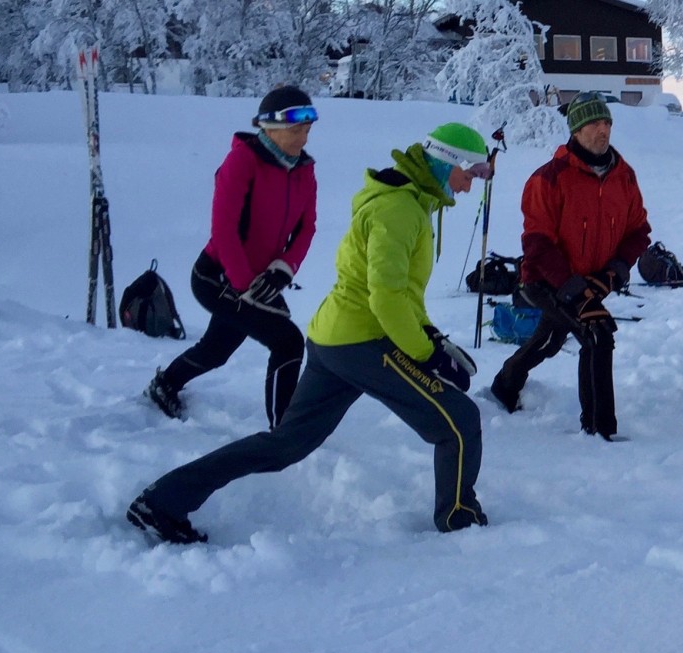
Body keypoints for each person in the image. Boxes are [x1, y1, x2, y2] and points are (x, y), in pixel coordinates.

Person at [126, 124, 495, 543]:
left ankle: (164, 500)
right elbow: (386, 299)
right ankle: (460, 521)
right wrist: (426, 353)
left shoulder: (410, 203)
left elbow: (401, 291)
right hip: (362, 341)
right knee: (460, 422)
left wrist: (432, 336)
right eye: (473, 173)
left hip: (334, 340)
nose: (472, 187)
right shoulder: (399, 210)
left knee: (285, 445)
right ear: (447, 163)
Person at [145, 86, 318, 426]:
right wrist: (245, 286)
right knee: (288, 342)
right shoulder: (242, 161)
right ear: (269, 128)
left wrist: (283, 270)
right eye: (296, 130)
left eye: (307, 130)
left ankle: (165, 383)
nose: (303, 138)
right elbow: (223, 231)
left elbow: (307, 227)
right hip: (218, 276)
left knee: (216, 351)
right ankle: (284, 430)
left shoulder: (303, 170)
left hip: (262, 279)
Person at [489, 92, 653, 441]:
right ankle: (599, 430)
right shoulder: (548, 178)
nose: (603, 130)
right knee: (598, 333)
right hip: (545, 279)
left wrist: (616, 271)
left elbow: (639, 230)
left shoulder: (624, 176)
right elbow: (536, 242)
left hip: (594, 280)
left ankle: (504, 386)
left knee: (549, 340)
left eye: (607, 122)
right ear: (576, 130)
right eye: (594, 123)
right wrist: (572, 287)